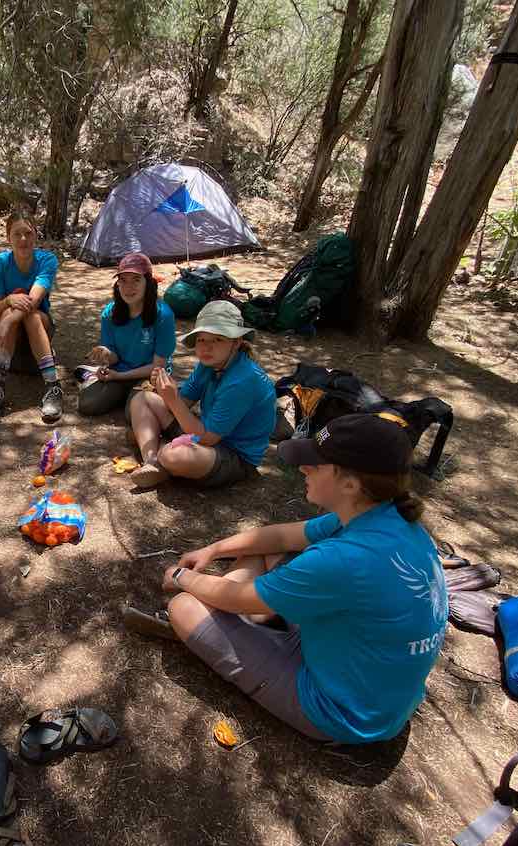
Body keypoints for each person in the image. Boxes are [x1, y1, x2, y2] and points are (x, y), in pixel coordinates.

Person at [126, 413, 448, 744]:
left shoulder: (342, 559)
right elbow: (280, 538)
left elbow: (237, 598)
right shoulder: (387, 516)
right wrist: (213, 549)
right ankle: (229, 624)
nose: (303, 469)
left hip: (342, 712)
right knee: (257, 553)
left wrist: (182, 578)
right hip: (373, 683)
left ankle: (212, 626)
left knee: (184, 608)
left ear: (350, 484)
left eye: (315, 464)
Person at [125, 300, 275, 489]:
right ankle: (152, 462)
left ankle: (156, 445)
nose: (206, 347)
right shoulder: (208, 364)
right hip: (203, 434)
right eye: (201, 339)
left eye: (218, 339)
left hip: (233, 455)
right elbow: (184, 402)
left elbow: (208, 439)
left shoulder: (243, 381)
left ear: (236, 343)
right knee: (142, 398)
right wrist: (162, 389)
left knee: (173, 455)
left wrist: (172, 399)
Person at [0, 211, 63, 423]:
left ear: (36, 234)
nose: (23, 239)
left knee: (30, 314)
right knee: (10, 307)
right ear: (9, 237)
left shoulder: (47, 260)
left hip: (38, 328)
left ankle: (53, 387)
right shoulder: (0, 262)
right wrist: (8, 301)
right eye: (17, 234)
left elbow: (33, 301)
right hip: (12, 339)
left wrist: (7, 320)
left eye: (28, 233)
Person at [77, 252, 177, 418]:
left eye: (136, 280)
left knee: (135, 415)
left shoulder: (163, 315)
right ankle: (119, 391)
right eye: (123, 280)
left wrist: (120, 376)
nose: (128, 287)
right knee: (87, 405)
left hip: (148, 374)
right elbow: (114, 358)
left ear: (148, 283)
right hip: (119, 371)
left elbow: (157, 366)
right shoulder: (110, 313)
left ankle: (129, 395)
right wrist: (106, 355)